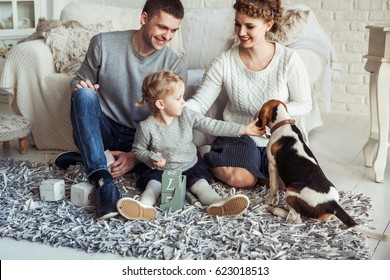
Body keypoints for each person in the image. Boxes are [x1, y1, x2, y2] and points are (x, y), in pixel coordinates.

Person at [55, 0, 187, 220]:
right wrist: (81, 86)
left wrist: (136, 156)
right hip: (104, 129)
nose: (168, 36)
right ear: (144, 19)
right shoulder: (102, 44)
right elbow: (78, 81)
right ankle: (103, 181)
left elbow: (173, 123)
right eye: (163, 27)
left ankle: (90, 158)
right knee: (84, 94)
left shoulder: (174, 65)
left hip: (143, 138)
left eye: (174, 30)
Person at [186, 0, 312, 189]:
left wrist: (272, 111)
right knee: (243, 180)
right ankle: (207, 154)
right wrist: (178, 106)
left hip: (277, 136)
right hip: (239, 135)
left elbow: (304, 104)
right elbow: (200, 103)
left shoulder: (289, 59)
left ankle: (261, 172)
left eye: (249, 26)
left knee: (295, 185)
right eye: (238, 24)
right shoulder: (224, 61)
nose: (241, 32)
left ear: (268, 25)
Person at [116, 70, 264, 220]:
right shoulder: (146, 127)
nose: (183, 102)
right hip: (162, 170)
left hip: (189, 165)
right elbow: (138, 149)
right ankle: (144, 206)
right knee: (152, 186)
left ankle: (218, 203)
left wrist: (242, 129)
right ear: (161, 104)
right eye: (179, 98)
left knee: (202, 187)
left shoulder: (186, 115)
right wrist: (150, 158)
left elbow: (211, 125)